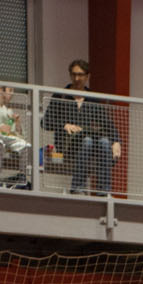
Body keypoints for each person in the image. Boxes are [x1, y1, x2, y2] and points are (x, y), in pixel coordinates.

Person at [41, 59, 120, 197]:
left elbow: (107, 123)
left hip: (89, 143)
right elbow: (45, 122)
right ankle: (78, 188)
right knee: (87, 141)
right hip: (67, 144)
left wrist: (116, 141)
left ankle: (104, 191)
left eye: (80, 75)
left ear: (87, 76)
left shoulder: (93, 98)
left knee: (104, 142)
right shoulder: (61, 95)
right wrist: (64, 125)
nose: (76, 78)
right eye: (73, 74)